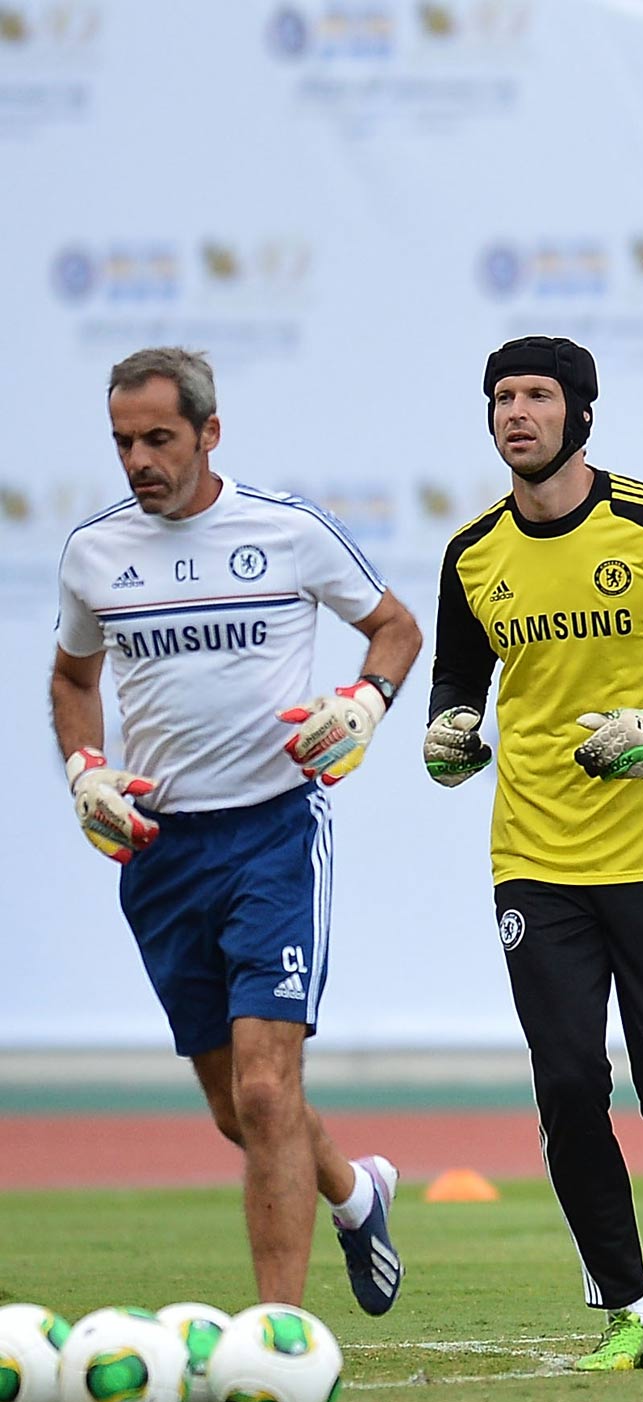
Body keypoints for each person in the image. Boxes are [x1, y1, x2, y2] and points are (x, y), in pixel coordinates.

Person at [425, 336, 643, 1372]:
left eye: (537, 397)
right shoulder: (471, 554)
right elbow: (459, 681)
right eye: (501, 398)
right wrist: (450, 734)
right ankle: (628, 1312)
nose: (516, 414)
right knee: (569, 1079)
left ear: (582, 415)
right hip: (535, 854)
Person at [50, 346, 421, 1313]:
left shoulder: (288, 530)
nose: (139, 460)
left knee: (267, 1093)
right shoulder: (94, 553)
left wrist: (367, 703)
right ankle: (355, 1191)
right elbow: (74, 680)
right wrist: (85, 769)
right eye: (124, 441)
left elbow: (394, 628)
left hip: (272, 834)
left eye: (159, 438)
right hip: (160, 849)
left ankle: (278, 1334)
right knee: (236, 1111)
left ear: (210, 434)